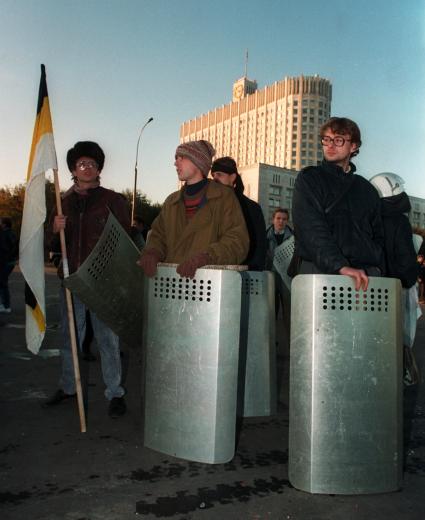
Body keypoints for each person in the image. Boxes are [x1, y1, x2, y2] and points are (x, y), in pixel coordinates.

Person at [44, 141, 130, 418]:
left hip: (103, 281)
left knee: (108, 339)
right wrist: (54, 229)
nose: (87, 168)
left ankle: (115, 393)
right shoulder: (62, 202)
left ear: (99, 169)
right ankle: (69, 387)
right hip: (72, 280)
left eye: (92, 164)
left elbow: (124, 239)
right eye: (82, 164)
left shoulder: (113, 200)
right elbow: (50, 242)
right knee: (70, 338)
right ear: (73, 169)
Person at [292, 117, 384, 290]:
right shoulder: (310, 179)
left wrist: (377, 268)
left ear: (354, 146)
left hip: (364, 274)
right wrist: (339, 266)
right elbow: (311, 228)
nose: (330, 145)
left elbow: (378, 235)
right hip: (320, 271)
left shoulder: (367, 189)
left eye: (338, 140)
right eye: (326, 140)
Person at [138, 140, 249, 278]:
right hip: (170, 283)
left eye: (181, 157)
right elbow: (158, 235)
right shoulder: (171, 201)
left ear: (198, 162)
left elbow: (237, 241)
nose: (175, 163)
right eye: (175, 158)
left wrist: (207, 257)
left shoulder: (224, 197)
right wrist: (153, 252)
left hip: (206, 285)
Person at [210, 156, 266, 270]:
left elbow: (260, 246)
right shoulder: (209, 205)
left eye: (219, 174)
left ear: (232, 177)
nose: (215, 179)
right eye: (213, 175)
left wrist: (251, 272)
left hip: (242, 273)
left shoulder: (251, 208)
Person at [265, 208, 293, 317]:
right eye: (278, 218)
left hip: (287, 277)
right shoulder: (265, 236)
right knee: (271, 311)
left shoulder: (294, 237)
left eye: (284, 219)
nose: (281, 221)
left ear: (287, 221)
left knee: (288, 310)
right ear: (273, 220)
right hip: (271, 276)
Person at [0, 217, 18, 313]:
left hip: (6, 261)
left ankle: (5, 305)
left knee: (2, 282)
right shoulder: (12, 233)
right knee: (3, 282)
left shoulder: (4, 234)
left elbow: (5, 249)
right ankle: (5, 305)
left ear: (4, 224)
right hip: (10, 261)